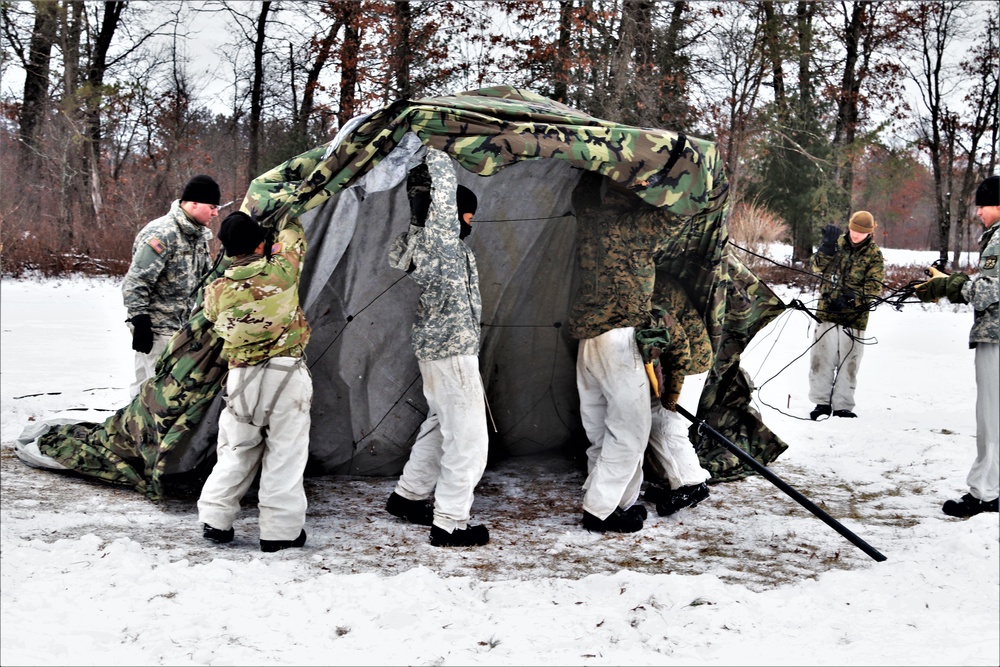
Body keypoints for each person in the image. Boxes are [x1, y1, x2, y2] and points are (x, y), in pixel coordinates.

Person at [384, 147, 490, 548]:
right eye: (468, 215)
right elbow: (443, 196)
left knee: (439, 426)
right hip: (453, 354)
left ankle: (408, 497)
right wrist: (437, 150)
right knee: (468, 441)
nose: (470, 222)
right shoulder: (443, 239)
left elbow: (425, 201)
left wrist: (418, 177)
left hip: (437, 353)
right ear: (456, 215)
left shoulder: (427, 240)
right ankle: (450, 523)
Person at [197, 210, 313, 552]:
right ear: (262, 244)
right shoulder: (283, 270)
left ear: (229, 251)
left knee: (236, 448)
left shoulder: (217, 290)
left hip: (241, 380)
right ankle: (280, 532)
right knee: (286, 453)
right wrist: (288, 212)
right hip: (286, 374)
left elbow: (211, 318)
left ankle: (216, 520)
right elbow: (296, 239)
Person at [569, 171, 676, 533]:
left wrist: (590, 169)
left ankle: (619, 502)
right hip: (620, 339)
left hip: (588, 342)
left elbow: (580, 196)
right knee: (630, 432)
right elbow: (677, 214)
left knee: (602, 430)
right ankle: (600, 510)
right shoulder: (636, 225)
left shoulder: (589, 217)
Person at [915, 174, 999, 518]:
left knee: (991, 418)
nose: (978, 212)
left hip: (996, 338)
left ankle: (986, 494)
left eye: (983, 204)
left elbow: (990, 291)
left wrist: (948, 286)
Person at [122, 175, 220, 398]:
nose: (215, 213)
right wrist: (140, 320)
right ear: (194, 203)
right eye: (212, 207)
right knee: (160, 394)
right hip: (157, 329)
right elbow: (136, 281)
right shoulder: (162, 233)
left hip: (180, 327)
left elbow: (207, 277)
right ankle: (145, 431)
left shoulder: (197, 237)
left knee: (148, 389)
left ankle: (135, 429)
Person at [640, 273, 713, 517]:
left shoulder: (654, 292)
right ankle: (675, 480)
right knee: (659, 422)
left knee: (667, 424)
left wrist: (672, 392)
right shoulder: (648, 280)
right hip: (684, 359)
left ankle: (691, 484)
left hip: (690, 362)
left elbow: (681, 350)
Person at [807, 211, 885, 420]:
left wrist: (853, 299)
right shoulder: (837, 244)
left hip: (854, 319)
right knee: (821, 359)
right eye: (853, 230)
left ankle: (843, 405)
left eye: (861, 232)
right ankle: (821, 403)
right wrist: (826, 247)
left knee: (849, 363)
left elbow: (874, 286)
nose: (856, 235)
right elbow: (817, 266)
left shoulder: (874, 255)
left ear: (869, 233)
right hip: (827, 313)